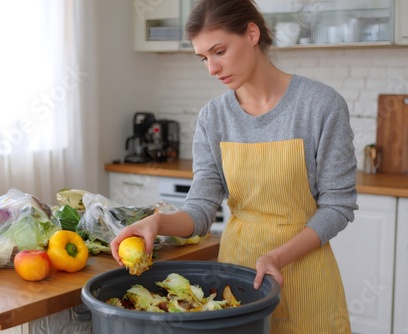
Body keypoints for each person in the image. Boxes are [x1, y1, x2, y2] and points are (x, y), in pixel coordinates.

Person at [111, 0, 358, 332]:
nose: (212, 68)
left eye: (219, 51)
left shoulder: (320, 105)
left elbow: (337, 206)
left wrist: (277, 257)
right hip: (237, 280)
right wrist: (156, 223)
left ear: (252, 34)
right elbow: (200, 210)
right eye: (203, 58)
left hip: (307, 273)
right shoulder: (214, 117)